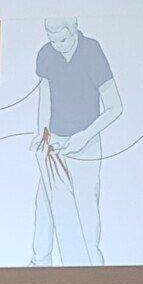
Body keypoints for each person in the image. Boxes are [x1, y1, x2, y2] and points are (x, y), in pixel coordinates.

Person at [28, 17, 123, 266]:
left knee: (86, 211)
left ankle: (90, 269)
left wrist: (84, 137)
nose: (58, 46)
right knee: (44, 205)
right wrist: (42, 130)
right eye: (52, 41)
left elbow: (115, 107)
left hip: (86, 145)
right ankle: (39, 263)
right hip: (54, 143)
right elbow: (45, 93)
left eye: (63, 40)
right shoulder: (46, 54)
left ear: (74, 31)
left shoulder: (92, 52)